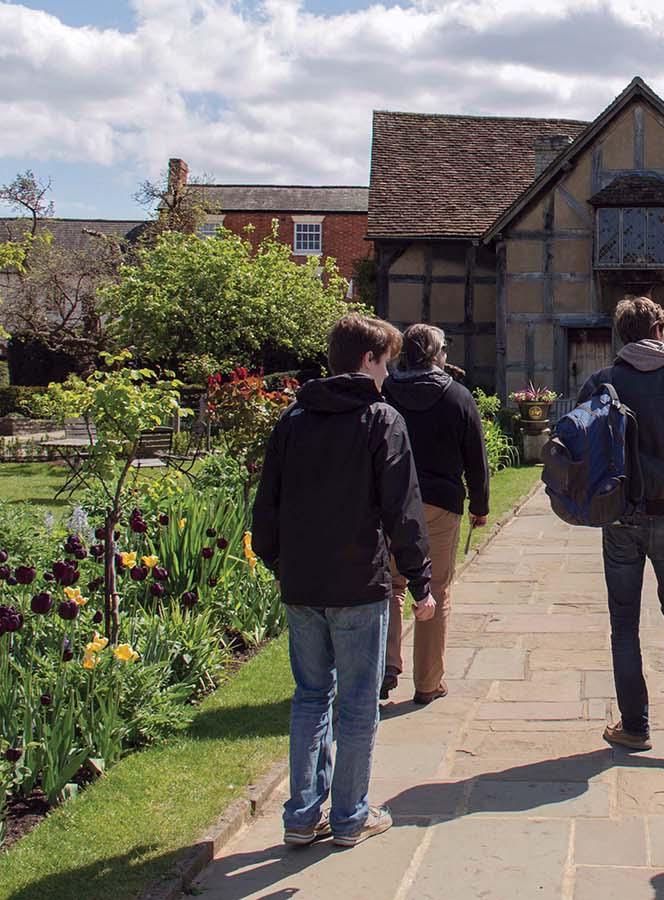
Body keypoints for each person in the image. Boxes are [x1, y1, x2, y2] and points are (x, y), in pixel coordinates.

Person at [251, 314, 436, 849]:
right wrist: (421, 581)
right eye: (386, 363)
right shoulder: (382, 420)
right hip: (359, 582)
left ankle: (302, 815)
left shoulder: (292, 419)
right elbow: (403, 511)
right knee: (357, 702)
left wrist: (276, 560)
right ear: (367, 360)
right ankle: (351, 815)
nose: (388, 374)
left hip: (304, 583)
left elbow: (268, 505)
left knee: (311, 696)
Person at [575, 296, 664, 752]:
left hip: (621, 517)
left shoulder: (603, 382)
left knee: (624, 622)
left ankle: (635, 726)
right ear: (660, 328)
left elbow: (582, 452)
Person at [383, 324, 490, 705]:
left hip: (392, 502)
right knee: (434, 590)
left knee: (392, 585)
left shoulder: (388, 392)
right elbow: (476, 458)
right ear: (435, 354)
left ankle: (387, 665)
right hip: (440, 504)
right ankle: (428, 683)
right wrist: (480, 506)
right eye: (444, 349)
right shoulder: (457, 396)